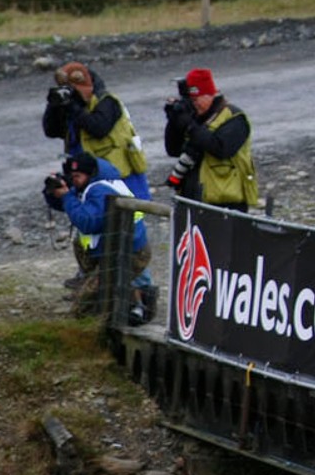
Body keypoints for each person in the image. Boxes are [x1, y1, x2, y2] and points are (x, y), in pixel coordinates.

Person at [44, 151, 157, 322]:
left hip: (126, 253)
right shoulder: (99, 183)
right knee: (104, 281)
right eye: (71, 176)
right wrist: (54, 193)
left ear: (89, 174)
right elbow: (73, 206)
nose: (74, 180)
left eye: (77, 176)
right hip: (121, 248)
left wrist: (67, 196)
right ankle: (136, 299)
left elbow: (87, 222)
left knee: (84, 307)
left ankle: (136, 304)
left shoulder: (99, 191)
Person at [40, 61, 151, 199]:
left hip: (119, 176)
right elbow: (51, 131)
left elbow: (98, 128)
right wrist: (54, 105)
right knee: (94, 215)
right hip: (88, 175)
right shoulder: (70, 106)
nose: (78, 95)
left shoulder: (107, 102)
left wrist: (72, 107)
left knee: (128, 215)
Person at [162, 67, 258, 211]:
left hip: (226, 204)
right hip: (192, 199)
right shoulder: (194, 117)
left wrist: (189, 125)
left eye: (196, 99)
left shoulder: (234, 118)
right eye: (191, 100)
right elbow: (173, 149)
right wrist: (174, 122)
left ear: (209, 94)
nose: (194, 104)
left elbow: (221, 148)